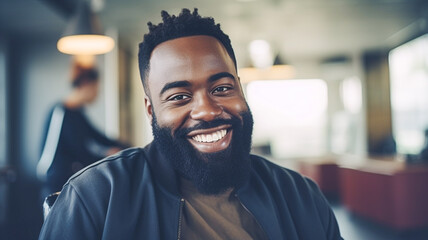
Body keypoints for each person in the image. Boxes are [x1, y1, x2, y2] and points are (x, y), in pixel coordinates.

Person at [39, 9, 343, 239]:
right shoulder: (94, 198)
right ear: (151, 110)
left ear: (241, 89)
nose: (207, 111)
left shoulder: (301, 197)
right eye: (179, 96)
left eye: (222, 88)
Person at [36, 61, 128, 199]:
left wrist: (127, 147)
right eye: (96, 88)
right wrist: (108, 155)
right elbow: (80, 150)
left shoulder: (78, 114)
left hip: (69, 179)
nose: (98, 93)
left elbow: (98, 137)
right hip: (54, 182)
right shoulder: (60, 112)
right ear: (86, 84)